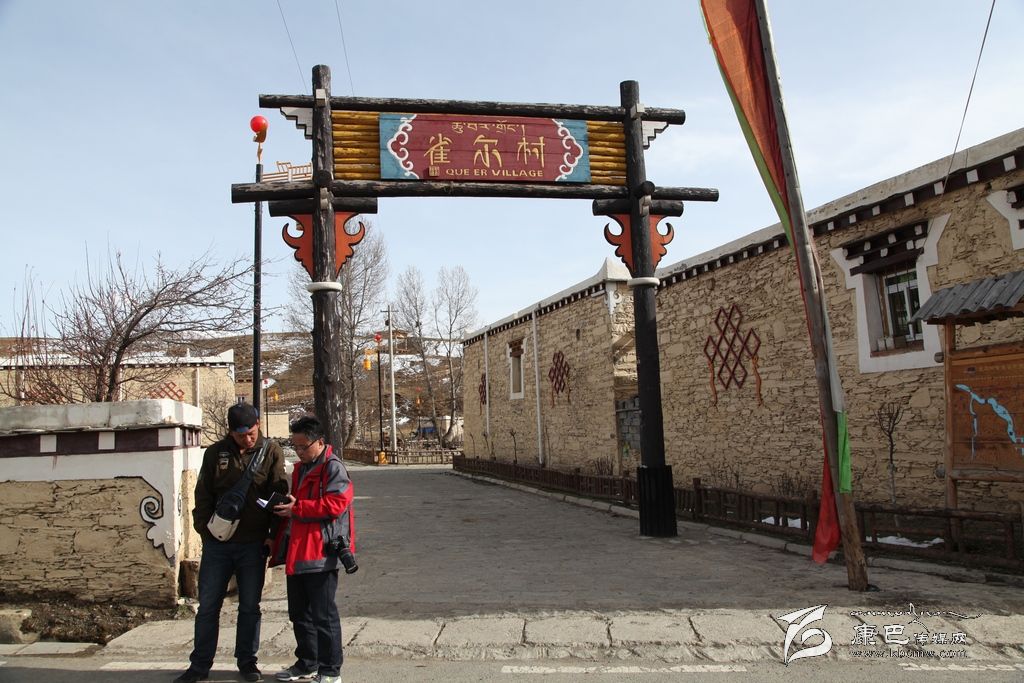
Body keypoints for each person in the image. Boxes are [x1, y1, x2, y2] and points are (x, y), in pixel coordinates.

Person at [175, 402, 288, 683]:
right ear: (230, 431)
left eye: (251, 433)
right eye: (240, 435)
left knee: (249, 606)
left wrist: (272, 535)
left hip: (253, 543)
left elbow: (279, 494)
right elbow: (203, 495)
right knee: (208, 607)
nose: (247, 439)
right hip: (218, 545)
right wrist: (205, 531)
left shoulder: (271, 451)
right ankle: (200, 665)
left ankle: (247, 662)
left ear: (258, 425)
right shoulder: (215, 453)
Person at [270, 415, 354, 683]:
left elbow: (336, 504)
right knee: (300, 614)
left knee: (323, 615)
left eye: (303, 446)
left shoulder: (333, 468)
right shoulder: (301, 468)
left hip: (321, 551)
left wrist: (298, 509)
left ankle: (330, 670)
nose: (298, 451)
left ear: (319, 442)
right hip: (298, 550)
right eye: (294, 446)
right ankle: (308, 662)